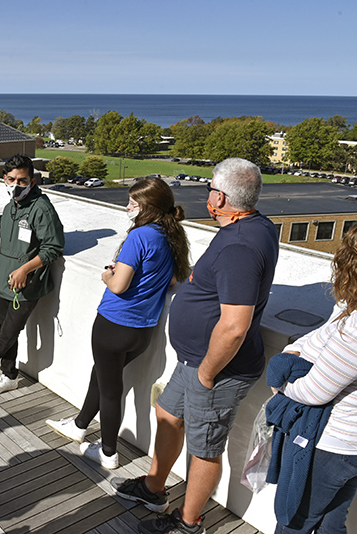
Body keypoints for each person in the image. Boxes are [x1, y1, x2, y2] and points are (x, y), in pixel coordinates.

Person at [115, 158, 279, 534]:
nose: (207, 195)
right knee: (167, 413)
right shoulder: (255, 226)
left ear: (219, 197)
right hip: (193, 361)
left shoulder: (240, 244)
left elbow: (235, 327)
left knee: (204, 448)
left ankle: (188, 523)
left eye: (210, 189)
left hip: (216, 369)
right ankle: (155, 488)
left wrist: (207, 373)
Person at [46, 178, 190, 469]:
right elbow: (173, 279)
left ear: (148, 208)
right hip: (143, 330)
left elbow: (119, 286)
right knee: (101, 374)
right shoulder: (170, 234)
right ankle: (79, 424)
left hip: (114, 325)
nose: (128, 208)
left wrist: (107, 275)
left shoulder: (140, 236)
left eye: (133, 204)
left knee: (112, 389)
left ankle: (108, 452)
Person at [269, 218, 357, 534]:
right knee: (332, 521)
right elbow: (327, 332)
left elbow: (315, 392)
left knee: (295, 519)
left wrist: (282, 384)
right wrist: (297, 349)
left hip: (337, 445)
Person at [0, 154, 64, 396]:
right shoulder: (11, 206)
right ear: (4, 179)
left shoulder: (41, 208)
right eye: (11, 180)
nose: (16, 186)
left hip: (26, 285)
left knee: (9, 332)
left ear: (33, 181)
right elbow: (1, 228)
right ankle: (8, 376)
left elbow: (54, 247)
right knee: (6, 330)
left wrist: (25, 269)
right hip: (2, 279)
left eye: (22, 180)